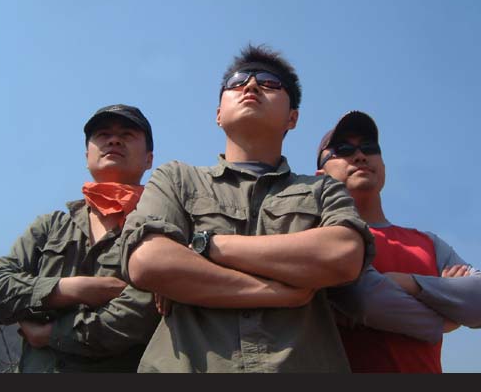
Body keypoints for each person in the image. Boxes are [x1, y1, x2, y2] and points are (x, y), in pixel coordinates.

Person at [118, 44, 375, 373]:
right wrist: (279, 292)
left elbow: (343, 255)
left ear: (292, 118)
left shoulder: (323, 189)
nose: (251, 86)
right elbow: (148, 261)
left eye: (269, 83)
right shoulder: (177, 178)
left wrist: (206, 245)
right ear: (218, 114)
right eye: (237, 82)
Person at [0, 104, 161, 373]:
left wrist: (52, 333)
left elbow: (144, 312)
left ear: (148, 159)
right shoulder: (51, 226)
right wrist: (70, 288)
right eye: (103, 134)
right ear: (87, 156)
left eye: (127, 134)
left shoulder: (159, 229)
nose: (114, 140)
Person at [316, 110, 481, 373]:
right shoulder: (320, 238)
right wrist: (446, 316)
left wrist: (405, 282)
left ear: (383, 166)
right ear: (320, 176)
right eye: (344, 150)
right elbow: (365, 299)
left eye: (370, 147)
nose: (360, 155)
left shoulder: (427, 243)